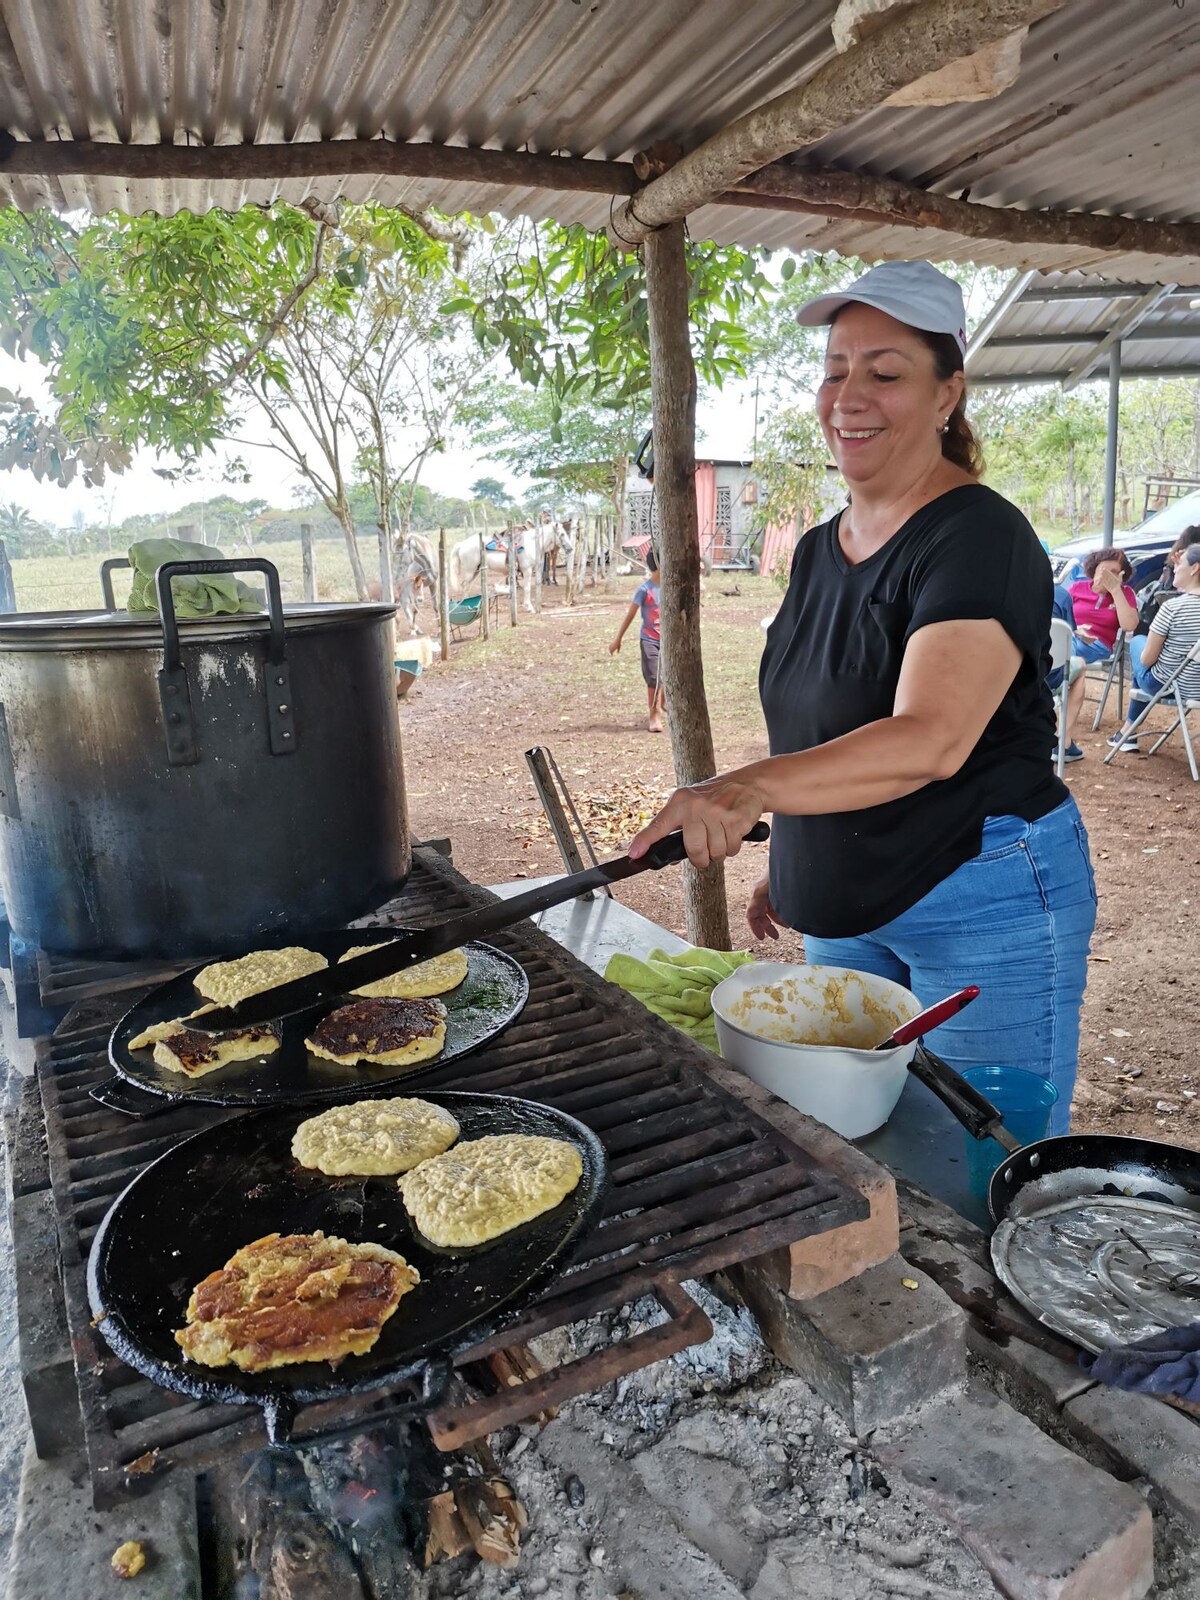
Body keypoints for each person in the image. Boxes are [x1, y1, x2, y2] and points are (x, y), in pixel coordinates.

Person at [628, 260, 1095, 1131]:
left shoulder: (977, 535)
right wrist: (799, 850)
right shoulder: (815, 550)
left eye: (885, 373)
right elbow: (828, 717)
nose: (850, 394)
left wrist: (746, 789)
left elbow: (929, 739)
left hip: (980, 890)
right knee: (863, 1142)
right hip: (852, 905)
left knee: (978, 1149)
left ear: (948, 392)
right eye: (836, 369)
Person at [1109, 541, 1200, 751]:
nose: (1173, 568)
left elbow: (1147, 660)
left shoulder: (1172, 608)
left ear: (1195, 568)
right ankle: (1127, 734)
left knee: (1138, 642)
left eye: (1179, 564)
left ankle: (1127, 735)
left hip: (1169, 686)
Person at [1061, 547, 1140, 755]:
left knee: (1065, 657)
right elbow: (1062, 616)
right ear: (1094, 569)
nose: (1108, 576)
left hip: (1098, 644)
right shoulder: (1078, 588)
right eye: (1104, 570)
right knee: (1068, 651)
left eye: (1115, 572)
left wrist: (1115, 591)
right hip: (1073, 637)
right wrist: (1077, 631)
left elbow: (1130, 625)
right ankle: (1063, 739)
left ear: (1122, 575)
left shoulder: (1125, 594)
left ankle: (1055, 679)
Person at [610, 547, 666, 732]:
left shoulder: (670, 588)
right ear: (660, 565)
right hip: (649, 640)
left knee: (665, 677)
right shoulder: (644, 590)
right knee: (653, 678)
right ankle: (654, 715)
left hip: (668, 642)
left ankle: (664, 703)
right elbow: (630, 616)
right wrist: (618, 639)